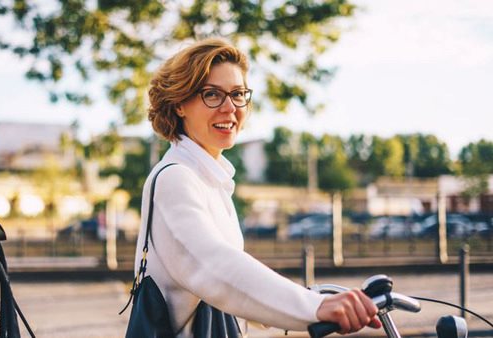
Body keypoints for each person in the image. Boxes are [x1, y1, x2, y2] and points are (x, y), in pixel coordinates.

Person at [134, 37, 381, 337]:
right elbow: (213, 267)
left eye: (238, 94)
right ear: (180, 104)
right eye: (212, 94)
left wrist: (311, 298)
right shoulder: (177, 178)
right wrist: (312, 307)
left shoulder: (211, 180)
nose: (229, 108)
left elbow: (234, 281)